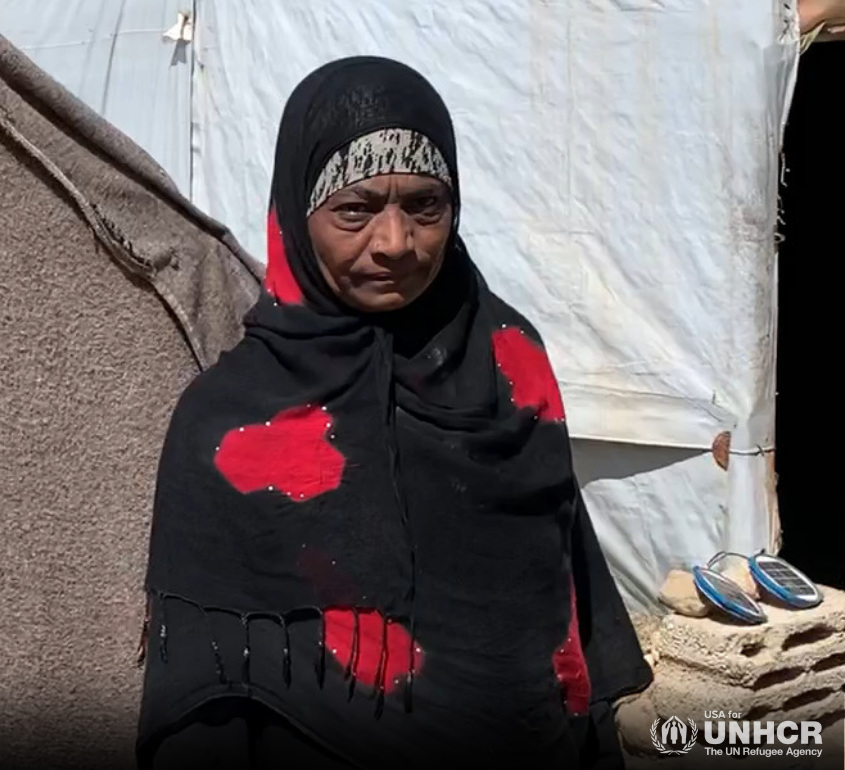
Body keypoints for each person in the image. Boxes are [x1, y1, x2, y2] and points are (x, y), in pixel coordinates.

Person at [136, 56, 652, 770]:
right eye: (355, 209)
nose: (395, 244)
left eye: (425, 206)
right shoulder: (227, 421)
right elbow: (205, 695)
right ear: (295, 210)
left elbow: (562, 584)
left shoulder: (508, 365)